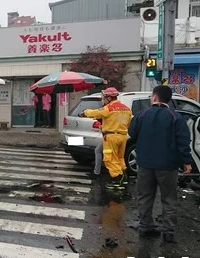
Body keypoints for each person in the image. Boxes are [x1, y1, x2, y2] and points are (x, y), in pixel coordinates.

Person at [128, 85, 193, 243]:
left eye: (152, 95)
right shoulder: (175, 117)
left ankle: (145, 226)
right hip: (168, 165)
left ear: (155, 97)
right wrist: (186, 161)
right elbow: (183, 141)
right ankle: (168, 231)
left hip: (144, 164)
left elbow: (132, 133)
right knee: (169, 197)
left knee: (145, 196)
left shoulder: (141, 114)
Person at [79, 87, 132, 188]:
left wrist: (85, 112)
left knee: (110, 159)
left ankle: (117, 179)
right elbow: (124, 123)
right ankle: (124, 177)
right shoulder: (126, 109)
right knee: (119, 158)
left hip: (111, 137)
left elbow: (96, 113)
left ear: (109, 97)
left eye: (104, 97)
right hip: (122, 136)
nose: (103, 99)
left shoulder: (109, 108)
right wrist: (104, 127)